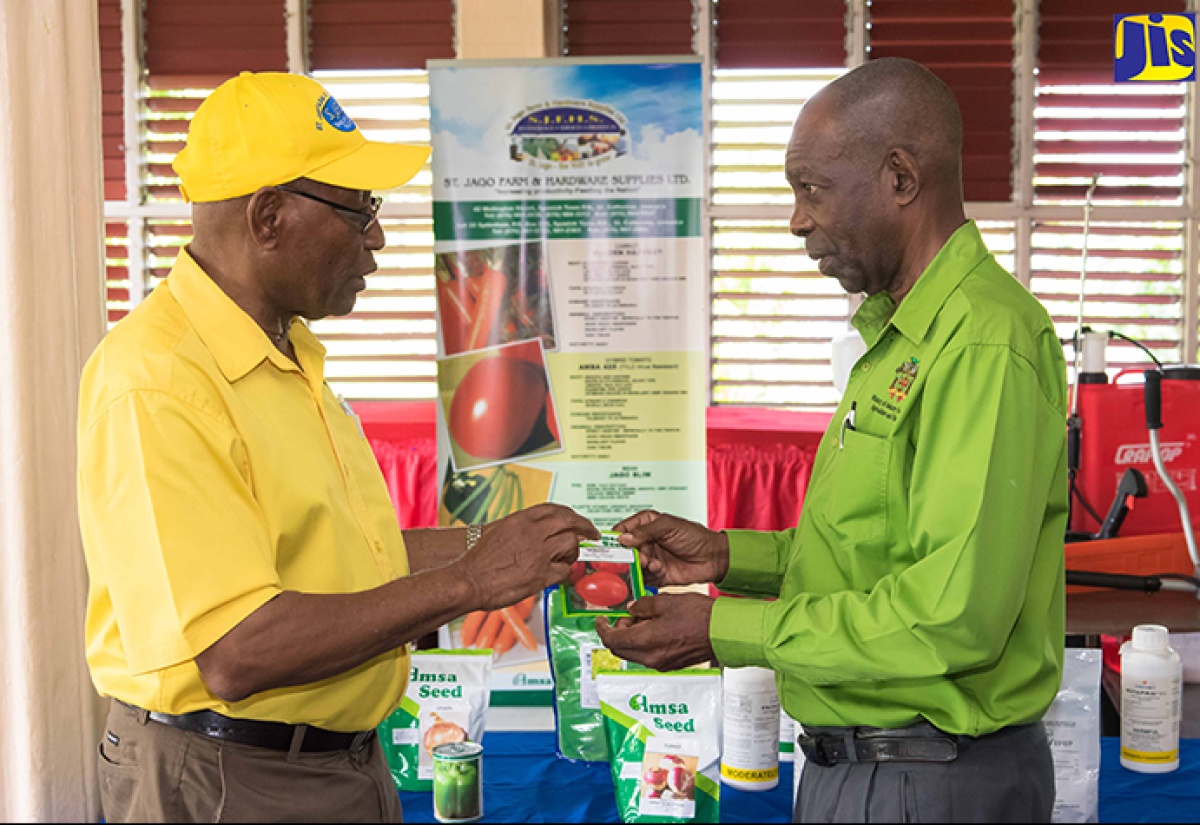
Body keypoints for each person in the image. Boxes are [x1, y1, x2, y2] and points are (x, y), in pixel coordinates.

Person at [77, 72, 598, 823]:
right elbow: (236, 649)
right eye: (360, 212)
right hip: (231, 776)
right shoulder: (157, 382)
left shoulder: (287, 355)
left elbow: (345, 563)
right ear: (267, 216)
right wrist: (470, 582)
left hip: (332, 760)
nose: (378, 237)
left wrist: (503, 545)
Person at [597, 57, 1067, 823]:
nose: (796, 219)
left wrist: (722, 629)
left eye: (811, 188)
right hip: (866, 767)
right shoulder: (897, 336)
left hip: (928, 778)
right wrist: (725, 556)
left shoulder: (983, 343)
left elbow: (949, 615)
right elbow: (871, 555)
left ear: (900, 178)